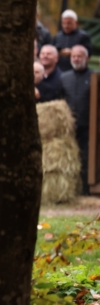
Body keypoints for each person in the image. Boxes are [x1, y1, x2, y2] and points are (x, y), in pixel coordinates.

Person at [61, 45, 93, 194]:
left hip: (88, 127)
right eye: (73, 56)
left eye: (79, 56)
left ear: (86, 58)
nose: (75, 58)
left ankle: (86, 189)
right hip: (69, 127)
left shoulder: (95, 76)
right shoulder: (64, 77)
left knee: (86, 158)